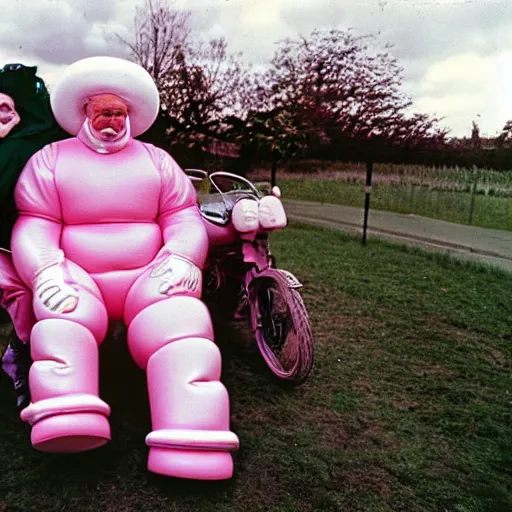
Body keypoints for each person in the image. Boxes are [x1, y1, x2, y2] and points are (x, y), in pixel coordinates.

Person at [8, 56, 239, 480]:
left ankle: (192, 433)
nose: (111, 121)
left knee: (181, 322)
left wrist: (183, 256)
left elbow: (183, 216)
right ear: (85, 113)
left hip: (149, 273)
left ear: (130, 114)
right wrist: (46, 271)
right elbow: (35, 224)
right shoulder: (50, 160)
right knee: (63, 315)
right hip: (77, 271)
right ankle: (67, 412)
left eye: (118, 112)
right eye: (103, 112)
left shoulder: (157, 161)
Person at [0, 64, 69, 409]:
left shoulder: (41, 144)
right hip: (8, 246)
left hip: (36, 241)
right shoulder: (12, 147)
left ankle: (29, 359)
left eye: (6, 108)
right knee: (25, 297)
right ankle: (23, 363)